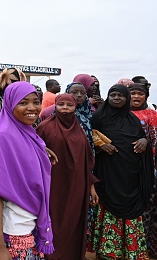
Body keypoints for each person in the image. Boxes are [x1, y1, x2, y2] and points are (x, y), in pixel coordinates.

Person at [0, 82, 54, 260]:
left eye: (36, 101)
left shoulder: (29, 135)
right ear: (9, 104)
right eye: (23, 102)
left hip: (27, 223)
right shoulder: (2, 137)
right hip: (12, 231)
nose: (32, 108)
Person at [90, 84, 153, 259]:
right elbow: (86, 143)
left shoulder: (132, 120)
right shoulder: (98, 118)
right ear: (108, 97)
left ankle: (132, 249)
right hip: (107, 174)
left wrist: (143, 141)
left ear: (126, 98)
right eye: (113, 95)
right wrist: (101, 145)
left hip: (130, 176)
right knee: (108, 205)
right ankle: (108, 251)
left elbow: (143, 138)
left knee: (131, 206)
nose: (116, 98)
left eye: (120, 95)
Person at [36, 94, 98, 259]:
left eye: (69, 105)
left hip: (77, 185)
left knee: (74, 221)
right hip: (53, 185)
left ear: (75, 107)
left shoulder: (79, 129)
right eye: (61, 104)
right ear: (55, 106)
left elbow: (87, 160)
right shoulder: (44, 127)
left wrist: (91, 186)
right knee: (54, 221)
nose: (65, 108)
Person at [129, 82, 157, 257]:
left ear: (146, 96)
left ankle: (148, 247)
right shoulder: (120, 114)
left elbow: (154, 140)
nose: (136, 97)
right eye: (133, 93)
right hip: (125, 170)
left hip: (148, 169)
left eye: (140, 94)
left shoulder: (152, 115)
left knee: (148, 207)